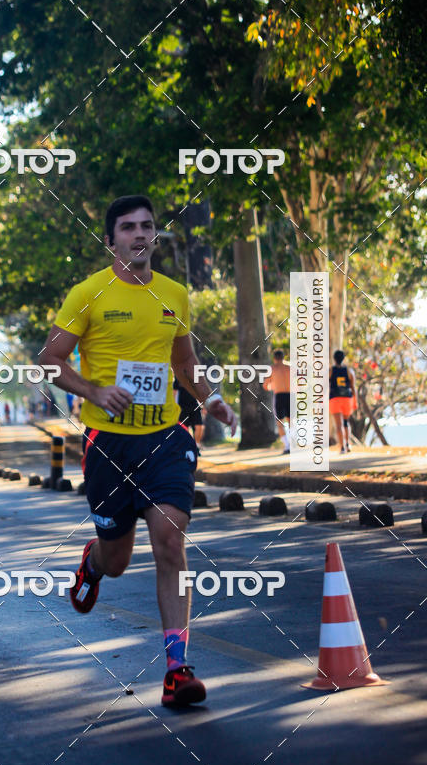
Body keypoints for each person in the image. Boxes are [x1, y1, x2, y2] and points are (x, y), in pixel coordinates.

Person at [40, 195, 237, 707]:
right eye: (127, 227)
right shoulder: (88, 293)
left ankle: (177, 669)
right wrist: (93, 391)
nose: (139, 234)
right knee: (119, 559)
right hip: (108, 444)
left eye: (147, 226)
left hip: (165, 438)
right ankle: (94, 561)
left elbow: (185, 358)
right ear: (111, 241)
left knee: (171, 540)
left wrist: (210, 398)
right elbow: (49, 360)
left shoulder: (174, 294)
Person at [263, 349, 291, 454]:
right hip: (290, 395)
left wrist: (272, 386)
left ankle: (287, 446)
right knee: (291, 421)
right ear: (283, 357)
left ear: (274, 358)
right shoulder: (290, 367)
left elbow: (266, 385)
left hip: (279, 395)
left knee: (280, 422)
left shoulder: (272, 369)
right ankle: (292, 444)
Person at [329, 349, 357, 453]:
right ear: (343, 358)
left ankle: (342, 447)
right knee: (345, 422)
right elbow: (353, 387)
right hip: (347, 399)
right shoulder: (349, 371)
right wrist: (355, 400)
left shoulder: (331, 371)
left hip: (334, 399)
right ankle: (348, 444)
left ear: (334, 359)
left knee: (338, 425)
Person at [173, 377, 204, 448]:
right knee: (184, 429)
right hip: (182, 408)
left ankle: (197, 446)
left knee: (199, 427)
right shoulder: (178, 377)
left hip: (195, 406)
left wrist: (204, 405)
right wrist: (174, 407)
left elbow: (201, 391)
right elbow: (174, 392)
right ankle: (186, 446)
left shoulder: (196, 377)